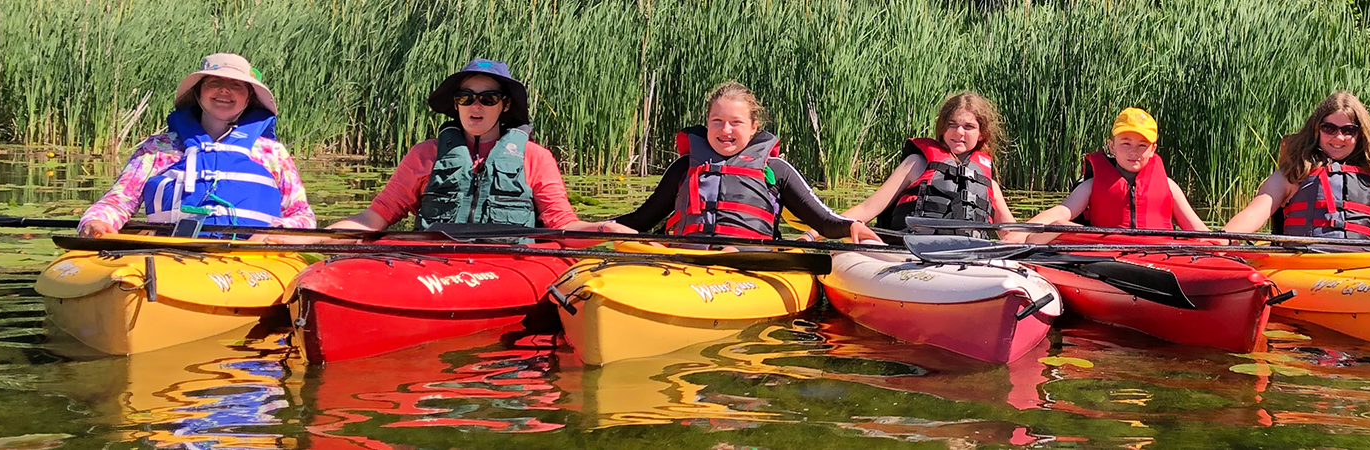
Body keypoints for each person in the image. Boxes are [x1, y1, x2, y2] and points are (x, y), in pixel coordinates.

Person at [322, 59, 601, 235]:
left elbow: (563, 223)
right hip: (434, 264)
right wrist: (320, 236)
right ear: (456, 104)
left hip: (507, 265)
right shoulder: (425, 155)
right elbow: (376, 216)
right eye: (465, 97)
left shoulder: (535, 158)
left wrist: (602, 228)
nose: (476, 106)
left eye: (488, 98)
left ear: (505, 105)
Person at [592, 81, 880, 244]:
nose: (725, 130)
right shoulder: (684, 168)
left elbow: (822, 220)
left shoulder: (776, 170)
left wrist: (851, 227)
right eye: (717, 121)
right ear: (706, 124)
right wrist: (599, 228)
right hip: (685, 260)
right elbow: (642, 220)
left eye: (736, 123)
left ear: (754, 127)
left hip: (751, 264)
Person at [78, 53, 314, 238]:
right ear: (198, 92)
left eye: (236, 85)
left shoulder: (271, 153)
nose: (224, 90)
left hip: (254, 258)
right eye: (215, 82)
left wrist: (273, 235)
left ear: (248, 98)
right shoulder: (158, 149)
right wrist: (97, 222)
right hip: (172, 253)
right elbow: (119, 201)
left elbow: (302, 217)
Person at [1220, 91, 1370, 241]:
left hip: (1364, 267)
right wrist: (1220, 239)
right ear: (1316, 129)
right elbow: (1252, 214)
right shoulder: (1293, 174)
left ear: (1360, 135)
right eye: (1328, 128)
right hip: (1305, 265)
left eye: (1348, 130)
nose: (1338, 137)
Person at [822, 91, 1017, 240]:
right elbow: (866, 209)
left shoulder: (990, 185)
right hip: (909, 253)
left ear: (981, 134)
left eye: (969, 127)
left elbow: (1013, 235)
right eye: (952, 124)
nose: (959, 132)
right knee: (866, 242)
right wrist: (816, 232)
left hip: (967, 259)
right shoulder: (916, 164)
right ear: (942, 129)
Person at [1003, 107, 1212, 243]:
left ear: (1153, 149)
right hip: (1106, 251)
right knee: (1058, 226)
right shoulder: (1092, 185)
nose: (1133, 152)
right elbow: (1060, 212)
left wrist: (1221, 247)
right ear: (1112, 146)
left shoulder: (1168, 186)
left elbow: (1198, 231)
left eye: (1142, 145)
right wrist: (1021, 232)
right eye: (1126, 143)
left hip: (1158, 254)